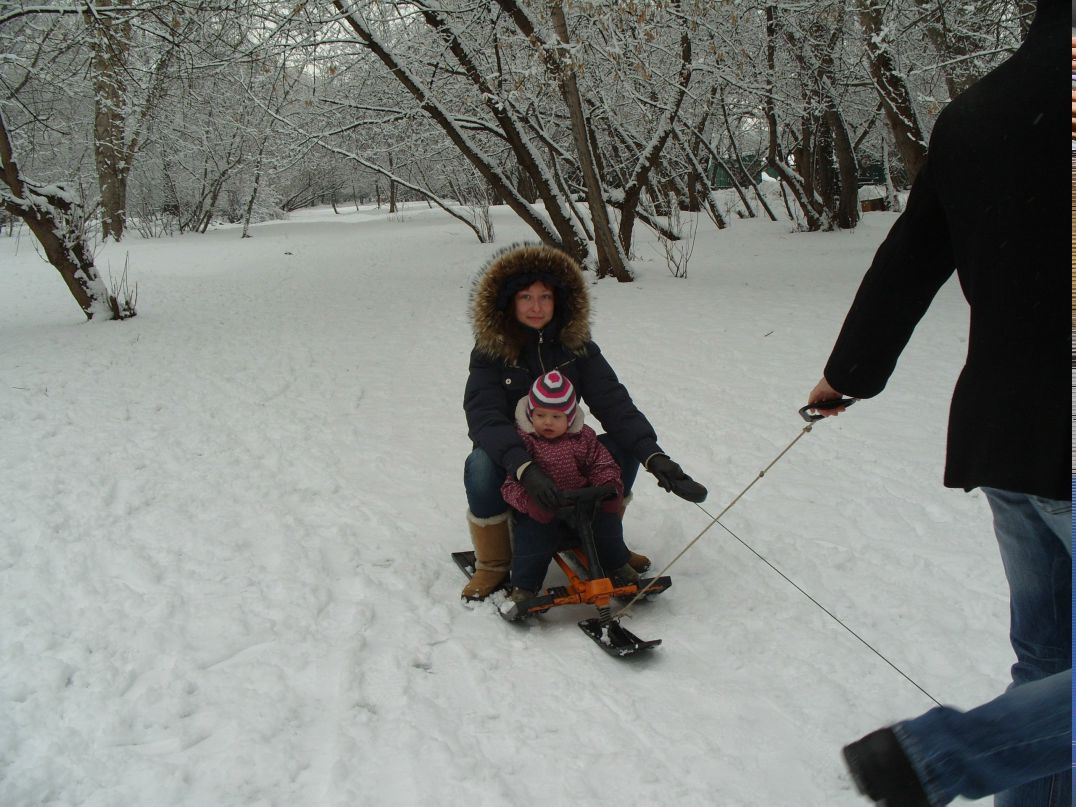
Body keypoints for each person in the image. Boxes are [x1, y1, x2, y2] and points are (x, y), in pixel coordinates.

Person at [805, 1, 1070, 805]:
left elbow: (909, 259)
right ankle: (934, 756)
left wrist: (848, 372)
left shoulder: (973, 115)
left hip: (1006, 436)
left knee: (1048, 663)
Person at [462, 242, 707, 601]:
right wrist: (524, 467)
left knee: (620, 446)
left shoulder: (577, 346)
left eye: (545, 297)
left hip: (569, 454)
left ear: (559, 300)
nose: (536, 307)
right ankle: (494, 563)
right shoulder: (491, 351)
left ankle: (606, 543)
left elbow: (614, 403)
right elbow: (483, 418)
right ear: (510, 301)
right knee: (479, 462)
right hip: (514, 461)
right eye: (526, 297)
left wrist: (656, 459)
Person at [498, 371, 638, 618]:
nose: (547, 422)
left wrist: (608, 487)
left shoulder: (584, 438)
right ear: (531, 414)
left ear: (570, 416)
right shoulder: (525, 441)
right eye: (540, 415)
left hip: (582, 504)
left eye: (555, 416)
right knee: (533, 539)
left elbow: (601, 463)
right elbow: (510, 484)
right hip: (543, 509)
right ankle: (525, 587)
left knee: (607, 525)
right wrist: (530, 503)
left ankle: (617, 564)